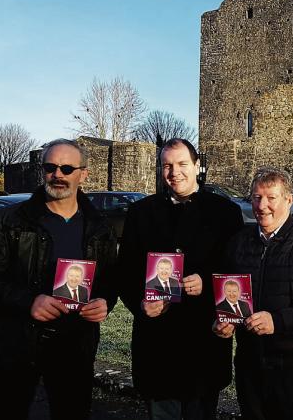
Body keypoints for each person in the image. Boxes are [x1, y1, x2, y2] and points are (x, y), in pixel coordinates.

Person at [0, 138, 117, 420]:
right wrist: (28, 301)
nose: (58, 174)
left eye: (67, 168)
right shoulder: (9, 220)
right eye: (50, 167)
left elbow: (109, 279)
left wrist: (104, 301)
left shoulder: (99, 226)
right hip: (15, 344)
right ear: (42, 171)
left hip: (74, 345)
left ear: (83, 174)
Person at [118, 138, 243, 419]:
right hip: (157, 343)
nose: (175, 172)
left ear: (197, 166)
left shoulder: (226, 212)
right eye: (167, 166)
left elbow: (235, 269)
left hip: (204, 341)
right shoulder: (140, 212)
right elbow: (125, 271)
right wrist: (140, 303)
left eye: (182, 164)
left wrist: (207, 281)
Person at [214, 167, 293, 420]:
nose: (262, 206)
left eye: (271, 198)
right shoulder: (238, 242)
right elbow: (226, 291)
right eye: (256, 198)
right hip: (250, 362)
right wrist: (223, 320)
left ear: (289, 200)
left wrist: (277, 321)